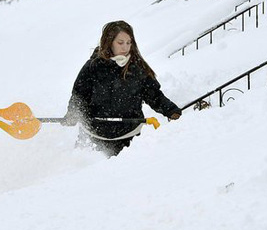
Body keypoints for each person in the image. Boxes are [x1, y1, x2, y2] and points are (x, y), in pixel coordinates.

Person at [64, 20, 181, 157]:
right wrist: (73, 114)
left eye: (128, 42)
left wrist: (172, 111)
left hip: (129, 140)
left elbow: (154, 95)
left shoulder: (138, 69)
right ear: (109, 42)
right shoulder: (93, 67)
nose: (125, 47)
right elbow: (79, 96)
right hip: (93, 137)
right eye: (120, 43)